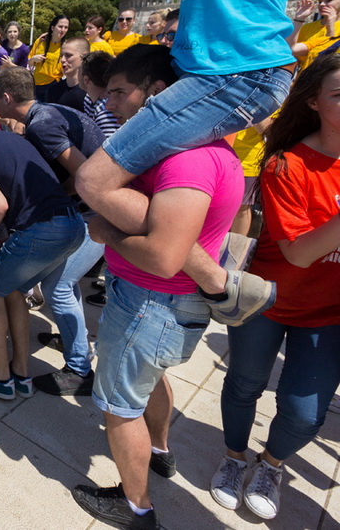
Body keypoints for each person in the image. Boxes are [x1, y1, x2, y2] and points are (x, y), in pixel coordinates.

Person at [78, 0, 305, 318]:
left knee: (94, 180)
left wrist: (109, 231)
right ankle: (204, 267)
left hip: (235, 72)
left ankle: (212, 277)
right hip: (217, 71)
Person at [72, 44, 244, 530]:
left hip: (151, 303)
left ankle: (135, 507)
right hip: (165, 305)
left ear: (160, 94)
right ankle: (162, 451)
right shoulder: (209, 148)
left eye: (120, 93)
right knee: (150, 383)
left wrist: (108, 232)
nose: (110, 105)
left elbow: (165, 256)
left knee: (120, 408)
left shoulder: (185, 161)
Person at [210, 53, 340, 521]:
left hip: (328, 314)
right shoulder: (287, 165)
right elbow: (299, 252)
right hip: (266, 299)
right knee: (245, 383)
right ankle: (233, 456)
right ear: (312, 103)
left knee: (306, 413)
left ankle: (271, 465)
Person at [0, 92, 85, 399]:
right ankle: (20, 374)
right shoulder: (9, 137)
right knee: (13, 291)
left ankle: (0, 378)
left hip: (41, 227)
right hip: (73, 224)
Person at [0, 67, 105, 395]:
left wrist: (54, 195)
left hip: (90, 216)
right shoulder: (54, 111)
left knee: (58, 287)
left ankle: (80, 370)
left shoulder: (41, 125)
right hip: (90, 214)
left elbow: (86, 174)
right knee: (64, 285)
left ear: (7, 98)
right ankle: (77, 341)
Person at [288, 0, 339, 70]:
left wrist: (330, 25)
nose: (322, 4)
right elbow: (290, 50)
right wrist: (299, 18)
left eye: (328, 0)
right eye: (320, 1)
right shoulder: (307, 28)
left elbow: (330, 53)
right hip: (306, 78)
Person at [27, 14, 70, 102]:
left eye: (66, 27)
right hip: (36, 85)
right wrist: (33, 59)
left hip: (54, 86)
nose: (63, 30)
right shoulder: (40, 41)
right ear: (52, 27)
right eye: (60, 26)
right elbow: (29, 64)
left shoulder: (67, 45)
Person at [46, 37, 91, 111]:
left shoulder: (91, 92)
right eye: (61, 55)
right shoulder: (53, 90)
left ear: (84, 57)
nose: (63, 60)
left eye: (68, 55)